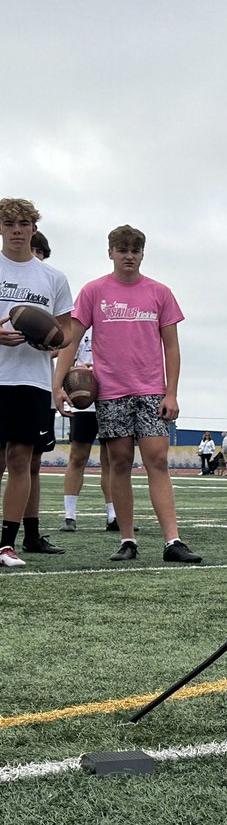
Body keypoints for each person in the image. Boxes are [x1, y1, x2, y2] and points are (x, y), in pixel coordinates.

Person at [52, 224, 202, 563]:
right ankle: (128, 539)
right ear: (111, 253)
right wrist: (57, 384)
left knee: (157, 462)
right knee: (118, 463)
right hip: (111, 393)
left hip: (151, 391)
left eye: (134, 250)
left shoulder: (160, 292)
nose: (129, 256)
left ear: (143, 254)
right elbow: (71, 340)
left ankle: (172, 541)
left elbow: (172, 347)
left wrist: (172, 393)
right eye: (122, 250)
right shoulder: (93, 291)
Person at [0, 198, 74, 567]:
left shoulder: (53, 277)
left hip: (31, 379)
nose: (17, 229)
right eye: (10, 222)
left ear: (33, 228)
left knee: (21, 458)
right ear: (0, 227)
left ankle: (7, 544)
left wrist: (52, 341)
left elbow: (69, 329)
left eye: (24, 223)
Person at [60, 326, 119, 532]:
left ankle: (113, 515)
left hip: (113, 397)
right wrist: (75, 372)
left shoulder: (119, 326)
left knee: (111, 460)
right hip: (84, 399)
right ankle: (69, 515)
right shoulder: (81, 328)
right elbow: (64, 356)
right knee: (78, 457)